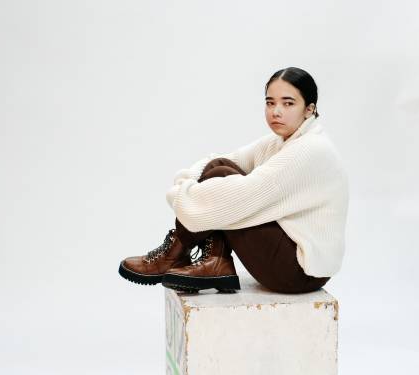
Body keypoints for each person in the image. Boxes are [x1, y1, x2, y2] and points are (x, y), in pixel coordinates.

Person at [118, 67, 349, 294]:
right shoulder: (280, 142)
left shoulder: (310, 149)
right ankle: (213, 261)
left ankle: (178, 252)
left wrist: (180, 194)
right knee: (218, 168)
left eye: (288, 103)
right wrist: (187, 182)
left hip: (299, 272)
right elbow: (221, 161)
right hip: (292, 260)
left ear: (309, 109)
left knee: (223, 183)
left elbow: (243, 195)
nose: (276, 111)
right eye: (270, 103)